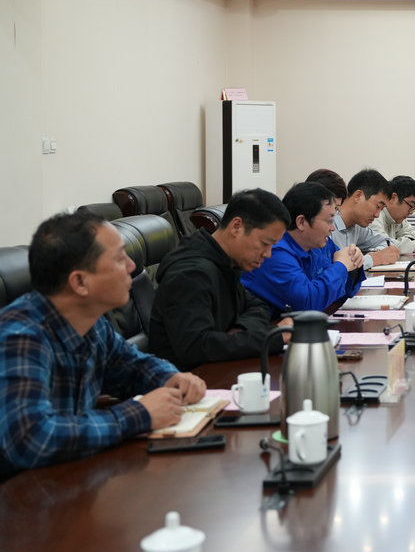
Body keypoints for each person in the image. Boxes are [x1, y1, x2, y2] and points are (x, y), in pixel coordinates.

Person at [0, 212, 206, 477]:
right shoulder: (20, 336)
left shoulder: (91, 323)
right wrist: (139, 414)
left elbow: (132, 367)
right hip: (19, 492)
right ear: (80, 282)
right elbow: (31, 438)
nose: (132, 266)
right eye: (120, 258)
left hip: (68, 478)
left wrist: (170, 378)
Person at [149, 188, 292, 370]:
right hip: (185, 380)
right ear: (236, 227)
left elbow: (257, 306)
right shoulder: (191, 274)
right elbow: (196, 347)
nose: (268, 254)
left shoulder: (225, 262)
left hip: (218, 370)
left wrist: (239, 332)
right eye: (265, 243)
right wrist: (274, 337)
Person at [242, 182, 365, 317]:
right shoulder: (275, 252)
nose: (333, 228)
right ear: (301, 222)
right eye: (329, 221)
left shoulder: (321, 244)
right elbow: (307, 303)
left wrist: (354, 260)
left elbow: (346, 290)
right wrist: (341, 266)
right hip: (271, 326)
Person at [331, 168, 402, 270]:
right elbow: (333, 268)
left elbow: (388, 242)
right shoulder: (327, 225)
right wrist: (374, 259)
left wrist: (376, 253)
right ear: (358, 196)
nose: (377, 215)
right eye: (378, 206)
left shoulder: (357, 228)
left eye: (381, 209)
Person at [370, 175, 415, 254]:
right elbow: (383, 245)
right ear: (393, 198)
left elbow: (412, 233)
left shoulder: (395, 218)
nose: (411, 212)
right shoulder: (374, 216)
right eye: (410, 206)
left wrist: (405, 244)